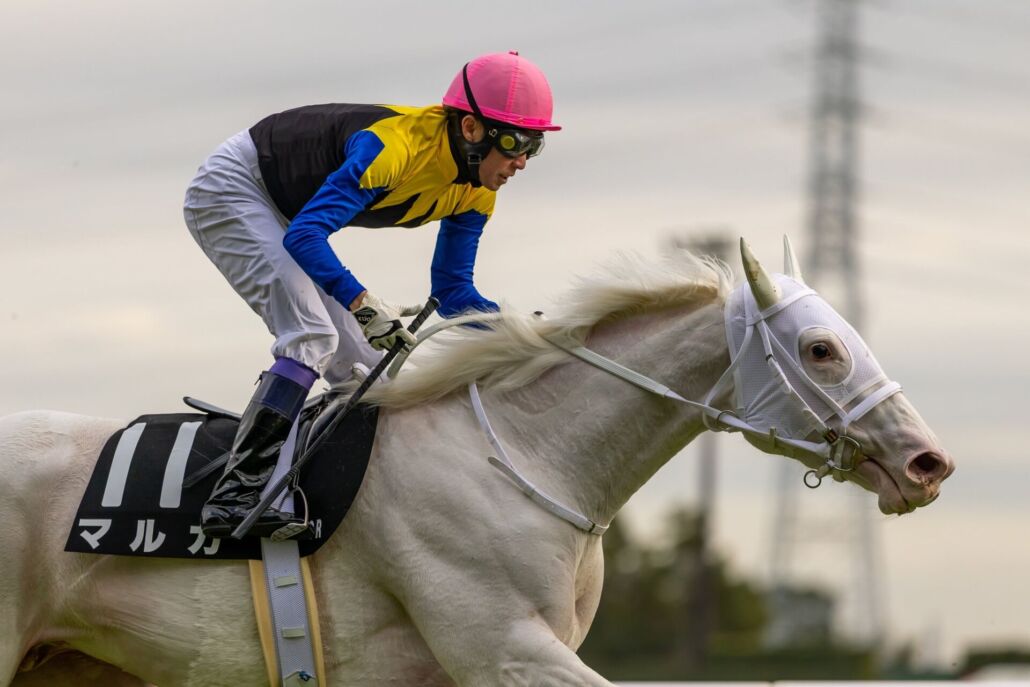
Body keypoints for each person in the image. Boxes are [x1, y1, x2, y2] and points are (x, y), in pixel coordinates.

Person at [183, 51, 560, 538]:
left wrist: (518, 329)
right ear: (470, 129)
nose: (522, 161)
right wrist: (362, 305)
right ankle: (234, 498)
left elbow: (451, 291)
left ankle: (323, 489)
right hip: (234, 188)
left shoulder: (478, 191)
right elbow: (305, 236)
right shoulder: (395, 149)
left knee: (363, 367)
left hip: (287, 209)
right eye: (515, 142)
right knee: (312, 335)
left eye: (535, 146)